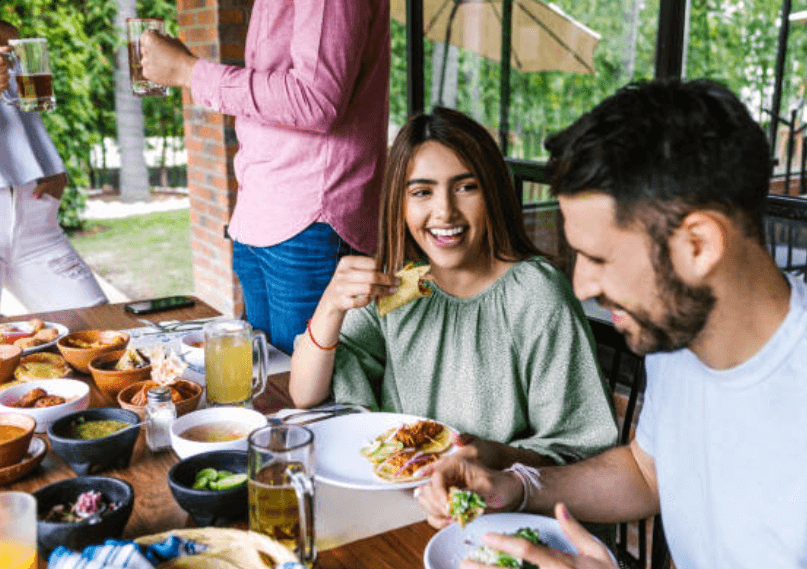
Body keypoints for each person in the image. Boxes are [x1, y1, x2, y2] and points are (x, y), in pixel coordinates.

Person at [417, 79, 807, 569]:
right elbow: (648, 473)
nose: (580, 287)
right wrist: (516, 488)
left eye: (598, 257)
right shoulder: (681, 335)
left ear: (699, 245)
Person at [289, 106, 617, 470]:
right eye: (422, 192)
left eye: (465, 187)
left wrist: (495, 459)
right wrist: (331, 306)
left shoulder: (536, 296)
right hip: (402, 492)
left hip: (494, 504)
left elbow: (578, 449)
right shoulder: (399, 284)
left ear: (492, 193)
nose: (445, 211)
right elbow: (305, 393)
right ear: (399, 203)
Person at [138, 1, 390, 354]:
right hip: (262, 213)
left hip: (310, 220)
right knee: (268, 383)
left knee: (308, 397)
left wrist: (189, 72)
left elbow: (316, 100)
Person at [0, 21, 108, 312]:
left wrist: (49, 162)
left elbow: (26, 108)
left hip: (35, 218)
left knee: (102, 333)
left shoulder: (7, 38)